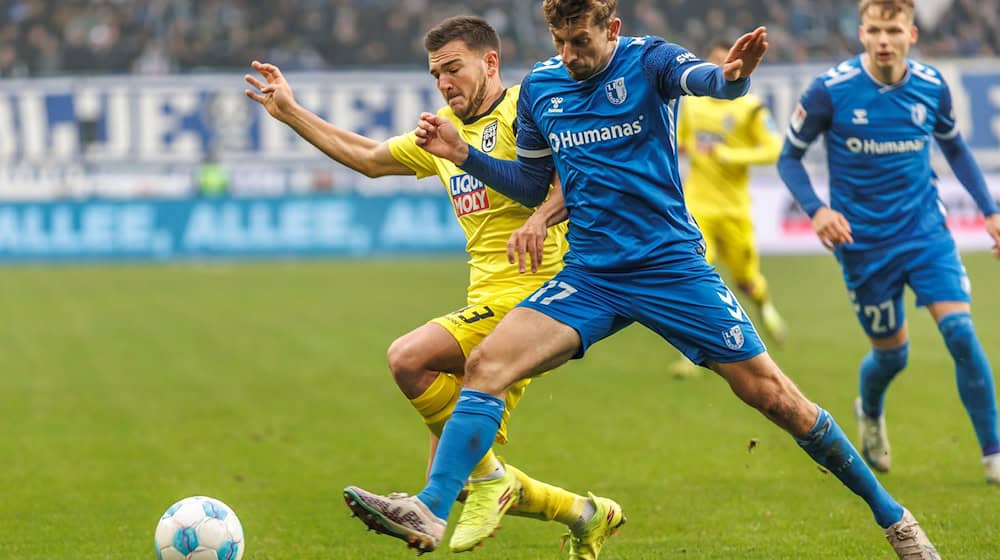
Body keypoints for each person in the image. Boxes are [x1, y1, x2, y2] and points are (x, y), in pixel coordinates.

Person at [342, 1, 939, 558]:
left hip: (670, 268)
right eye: (561, 41)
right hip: (592, 275)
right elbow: (529, 185)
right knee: (486, 367)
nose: (571, 54)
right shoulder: (543, 89)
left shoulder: (649, 60)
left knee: (774, 397)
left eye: (582, 41)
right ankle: (429, 508)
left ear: (613, 29)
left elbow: (709, 81)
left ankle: (894, 517)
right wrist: (463, 153)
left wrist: (733, 75)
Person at [245, 15, 625, 555]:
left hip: (539, 301)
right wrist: (291, 113)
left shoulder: (531, 106)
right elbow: (371, 160)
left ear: (489, 62)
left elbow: (574, 178)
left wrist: (541, 217)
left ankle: (486, 485)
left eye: (453, 68)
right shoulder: (443, 131)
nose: (445, 83)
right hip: (485, 308)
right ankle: (586, 514)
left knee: (408, 358)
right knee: (456, 480)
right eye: (436, 74)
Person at [777, 0, 1000, 484]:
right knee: (891, 354)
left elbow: (956, 148)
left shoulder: (931, 86)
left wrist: (990, 210)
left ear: (911, 35)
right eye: (874, 29)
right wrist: (817, 211)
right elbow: (789, 160)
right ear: (861, 32)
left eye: (893, 30)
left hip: (925, 234)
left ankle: (994, 455)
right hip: (863, 245)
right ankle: (870, 412)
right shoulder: (830, 91)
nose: (883, 40)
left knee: (961, 332)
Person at [671, 39, 787, 377]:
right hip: (698, 207)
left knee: (747, 281)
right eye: (718, 64)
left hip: (735, 210)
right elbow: (682, 141)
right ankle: (690, 356)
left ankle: (764, 306)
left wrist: (731, 156)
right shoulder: (692, 106)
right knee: (695, 277)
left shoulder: (750, 109)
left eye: (731, 63)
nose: (726, 69)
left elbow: (774, 149)